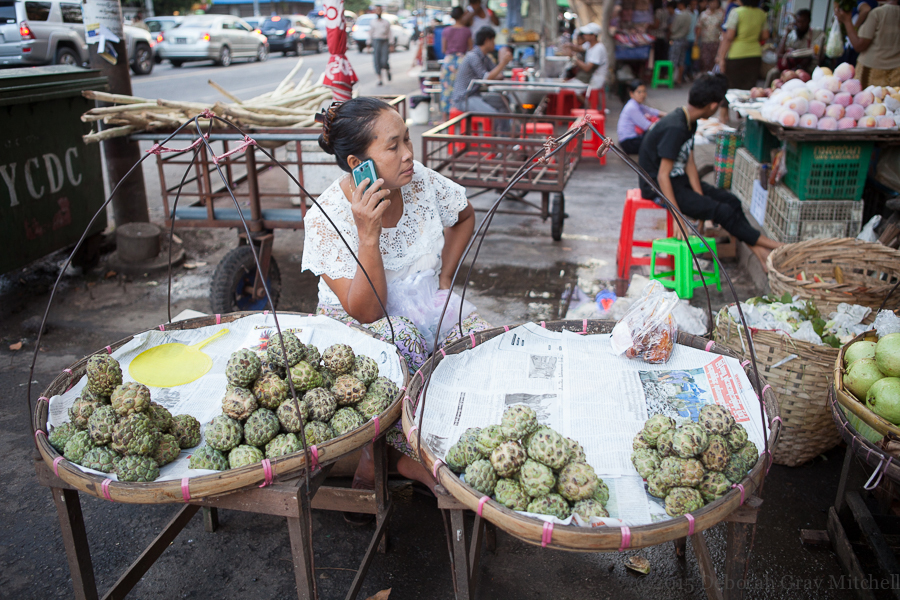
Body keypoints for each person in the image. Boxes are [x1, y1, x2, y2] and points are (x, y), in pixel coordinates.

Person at [304, 98, 493, 518]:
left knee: (479, 342)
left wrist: (444, 281)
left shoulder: (419, 180)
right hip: (354, 322)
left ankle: (449, 437)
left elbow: (464, 216)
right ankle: (404, 458)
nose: (409, 153)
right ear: (358, 163)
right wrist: (367, 234)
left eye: (407, 138)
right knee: (403, 341)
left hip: (420, 297)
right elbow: (367, 312)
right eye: (394, 146)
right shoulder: (324, 217)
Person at [637, 74, 781, 267]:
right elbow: (663, 176)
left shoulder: (689, 120)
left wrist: (700, 199)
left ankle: (760, 252)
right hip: (658, 188)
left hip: (678, 181)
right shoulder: (675, 127)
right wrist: (678, 216)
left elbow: (689, 163)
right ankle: (775, 246)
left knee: (731, 201)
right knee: (722, 211)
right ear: (714, 105)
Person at [450, 26, 513, 116]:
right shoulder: (473, 56)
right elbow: (486, 79)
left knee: (503, 101)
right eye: (493, 41)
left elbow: (497, 74)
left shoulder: (485, 58)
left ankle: (505, 130)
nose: (494, 44)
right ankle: (494, 130)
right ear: (487, 40)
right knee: (493, 114)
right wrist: (503, 63)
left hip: (476, 95)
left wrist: (500, 65)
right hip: (464, 98)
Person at [837, 0, 900, 87]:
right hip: (896, 74)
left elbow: (859, 45)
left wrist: (847, 21)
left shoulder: (878, 13)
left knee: (867, 99)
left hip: (871, 73)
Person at [716, 0, 768, 91]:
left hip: (737, 55)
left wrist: (721, 58)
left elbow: (729, 37)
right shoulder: (761, 14)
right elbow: (765, 35)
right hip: (755, 55)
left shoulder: (736, 12)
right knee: (748, 90)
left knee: (732, 89)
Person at [765, 10, 823, 86]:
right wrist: (786, 34)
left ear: (809, 21)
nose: (801, 24)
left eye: (803, 21)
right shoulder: (792, 35)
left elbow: (818, 53)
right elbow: (779, 54)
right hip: (791, 67)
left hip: (807, 69)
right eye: (798, 22)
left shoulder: (816, 34)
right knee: (773, 73)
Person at [560, 22, 608, 105]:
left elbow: (587, 68)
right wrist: (569, 45)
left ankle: (589, 108)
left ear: (593, 36)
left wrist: (573, 57)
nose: (584, 36)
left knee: (573, 89)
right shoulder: (589, 45)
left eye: (586, 34)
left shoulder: (598, 49)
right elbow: (579, 48)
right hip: (589, 77)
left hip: (594, 79)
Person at [440, 7, 473, 118]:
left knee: (446, 90)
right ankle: (459, 117)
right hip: (462, 63)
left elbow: (444, 49)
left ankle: (446, 118)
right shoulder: (467, 31)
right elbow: (471, 48)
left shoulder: (446, 31)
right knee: (460, 90)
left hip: (448, 62)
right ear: (462, 15)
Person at [617, 80, 666, 154]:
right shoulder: (632, 107)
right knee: (658, 140)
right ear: (631, 94)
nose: (642, 94)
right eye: (639, 92)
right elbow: (647, 126)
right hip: (629, 143)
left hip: (632, 140)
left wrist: (669, 115)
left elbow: (652, 111)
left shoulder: (637, 105)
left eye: (644, 91)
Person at [668, 0, 694, 85]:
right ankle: (679, 80)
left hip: (677, 40)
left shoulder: (680, 16)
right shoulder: (689, 15)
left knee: (674, 61)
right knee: (681, 61)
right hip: (684, 39)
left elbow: (673, 29)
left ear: (681, 4)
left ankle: (671, 80)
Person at [695, 0, 724, 72]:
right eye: (712, 2)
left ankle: (713, 76)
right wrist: (696, 39)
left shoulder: (720, 14)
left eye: (715, 2)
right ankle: (706, 75)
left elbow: (723, 28)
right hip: (705, 41)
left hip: (716, 41)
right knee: (705, 60)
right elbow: (699, 27)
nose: (714, 4)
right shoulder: (703, 14)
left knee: (715, 60)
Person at [369, 6, 392, 86]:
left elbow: (389, 33)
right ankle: (380, 79)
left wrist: (391, 44)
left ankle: (387, 69)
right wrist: (368, 43)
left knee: (384, 60)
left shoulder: (386, 22)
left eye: (379, 10)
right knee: (376, 61)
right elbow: (370, 33)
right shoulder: (373, 22)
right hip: (376, 41)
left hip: (384, 41)